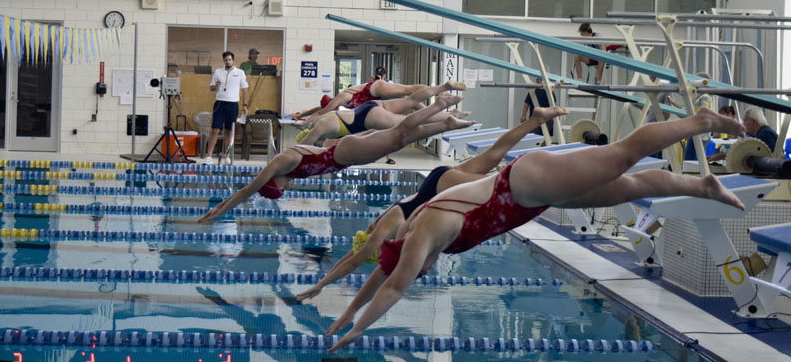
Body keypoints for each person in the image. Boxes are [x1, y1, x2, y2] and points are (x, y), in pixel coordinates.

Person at [325, 107, 746, 352]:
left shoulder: (422, 235)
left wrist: (361, 328)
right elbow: (385, 273)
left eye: (422, 268)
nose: (428, 270)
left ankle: (701, 120)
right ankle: (702, 185)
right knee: (626, 189)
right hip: (530, 200)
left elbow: (394, 287)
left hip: (525, 183)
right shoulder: (410, 243)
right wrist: (348, 311)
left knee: (621, 157)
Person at [295, 105, 567, 302]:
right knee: (494, 156)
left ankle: (539, 171)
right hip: (435, 183)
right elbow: (353, 259)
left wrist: (320, 285)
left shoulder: (386, 229)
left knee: (502, 182)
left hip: (439, 188)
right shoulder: (385, 228)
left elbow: (354, 262)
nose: (424, 267)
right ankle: (535, 120)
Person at [198, 94, 475, 221]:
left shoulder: (284, 162)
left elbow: (249, 189)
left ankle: (439, 107)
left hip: (344, 152)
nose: (287, 189)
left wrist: (219, 210)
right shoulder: (291, 170)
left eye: (281, 189)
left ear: (276, 182)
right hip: (347, 154)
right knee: (401, 137)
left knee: (399, 134)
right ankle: (445, 124)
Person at [296, 81, 468, 146]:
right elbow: (319, 111)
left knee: (409, 118)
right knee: (410, 100)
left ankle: (445, 109)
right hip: (371, 106)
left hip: (371, 100)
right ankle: (445, 92)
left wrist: (303, 125)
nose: (319, 144)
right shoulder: (328, 122)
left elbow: (302, 147)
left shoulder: (325, 122)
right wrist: (302, 118)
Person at [294, 78, 432, 127]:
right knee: (409, 101)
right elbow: (316, 110)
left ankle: (439, 90)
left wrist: (304, 123)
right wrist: (301, 115)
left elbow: (321, 112)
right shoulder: (338, 104)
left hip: (373, 88)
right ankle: (431, 113)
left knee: (408, 90)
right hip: (374, 98)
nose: (332, 109)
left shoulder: (341, 98)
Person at [202, 51, 248, 165]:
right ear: (223, 61)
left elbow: (245, 90)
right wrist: (216, 86)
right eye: (226, 60)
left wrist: (245, 105)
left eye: (230, 60)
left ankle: (227, 155)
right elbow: (211, 88)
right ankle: (209, 156)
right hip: (220, 104)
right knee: (215, 130)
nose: (228, 61)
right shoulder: (218, 72)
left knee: (229, 131)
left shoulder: (240, 73)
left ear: (233, 60)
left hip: (233, 104)